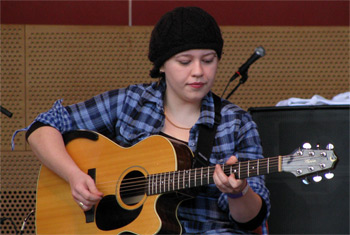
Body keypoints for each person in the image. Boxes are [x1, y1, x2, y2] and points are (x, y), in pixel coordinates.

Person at [15, 6, 270, 234]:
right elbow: (42, 127)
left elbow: (249, 220)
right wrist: (73, 176)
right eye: (184, 61)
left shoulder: (237, 123)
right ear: (161, 65)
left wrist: (239, 192)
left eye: (208, 60)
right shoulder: (131, 102)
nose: (198, 71)